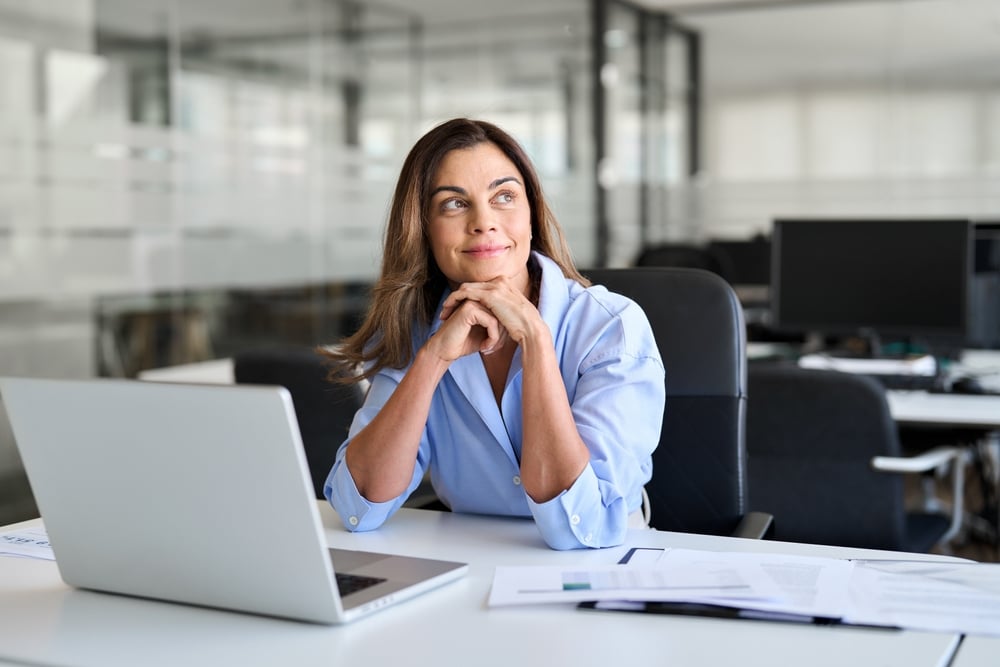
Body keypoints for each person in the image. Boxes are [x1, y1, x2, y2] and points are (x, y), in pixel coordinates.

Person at [322, 118, 664, 550]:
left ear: (531, 214)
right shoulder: (415, 332)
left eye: (504, 196)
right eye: (453, 204)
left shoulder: (611, 328)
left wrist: (537, 344)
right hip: (471, 564)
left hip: (601, 566)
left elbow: (581, 527)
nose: (484, 222)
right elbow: (360, 507)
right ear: (423, 228)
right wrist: (430, 361)